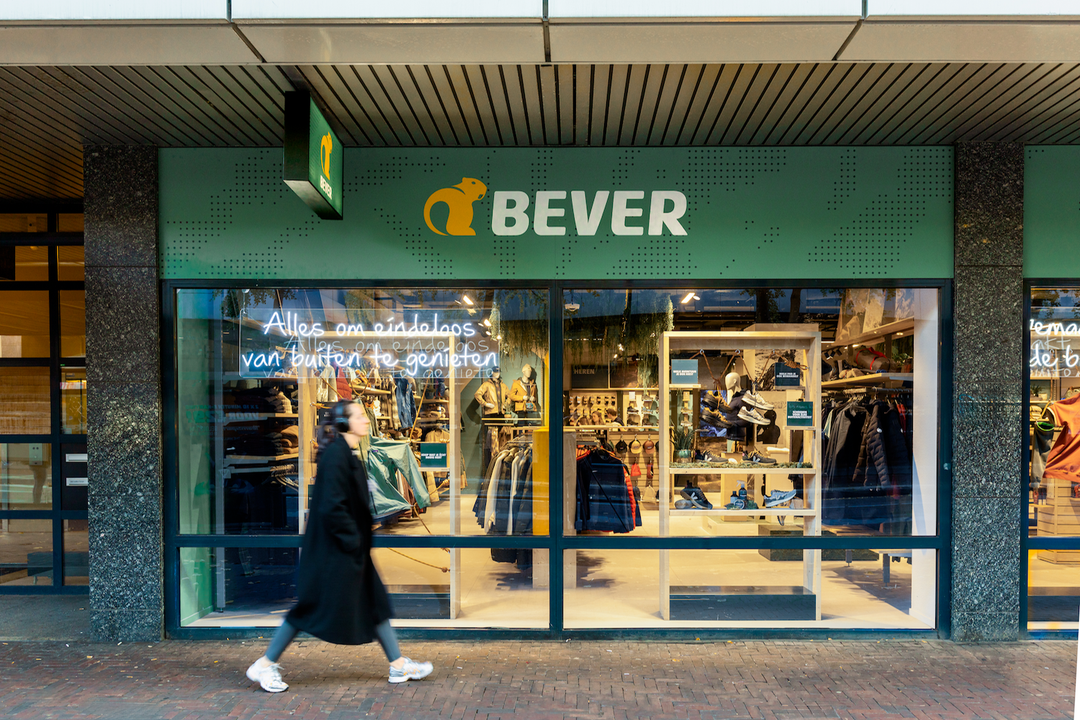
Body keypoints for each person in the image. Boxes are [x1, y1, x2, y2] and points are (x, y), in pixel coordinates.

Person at [246, 400, 433, 692]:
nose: (367, 420)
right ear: (345, 423)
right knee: (308, 610)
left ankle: (398, 666)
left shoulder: (347, 454)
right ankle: (264, 665)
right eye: (360, 416)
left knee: (375, 602)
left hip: (348, 550)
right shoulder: (337, 455)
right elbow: (332, 508)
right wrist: (353, 541)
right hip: (334, 553)